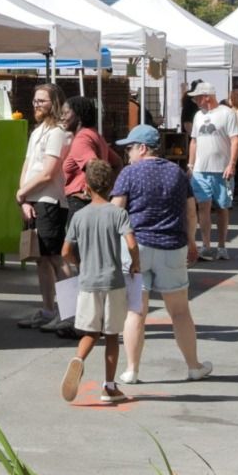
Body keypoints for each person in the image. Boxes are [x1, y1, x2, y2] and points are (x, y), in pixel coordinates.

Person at [108, 125, 212, 384]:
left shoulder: (129, 174)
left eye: (130, 148)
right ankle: (193, 366)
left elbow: (116, 211)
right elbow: (191, 212)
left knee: (135, 311)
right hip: (172, 246)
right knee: (179, 311)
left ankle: (132, 369)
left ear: (142, 148)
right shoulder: (178, 173)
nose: (127, 154)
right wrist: (191, 242)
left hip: (137, 247)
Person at [60, 160, 139, 405]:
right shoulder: (118, 213)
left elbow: (65, 251)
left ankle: (78, 360)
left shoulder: (80, 216)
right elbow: (132, 244)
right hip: (113, 281)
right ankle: (109, 386)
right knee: (112, 335)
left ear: (87, 186)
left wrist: (79, 263)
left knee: (91, 332)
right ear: (111, 185)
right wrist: (135, 264)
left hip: (88, 282)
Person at [13, 82, 71, 330]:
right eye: (35, 100)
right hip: (34, 199)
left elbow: (49, 172)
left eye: (42, 101)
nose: (36, 104)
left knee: (56, 257)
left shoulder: (58, 132)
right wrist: (24, 196)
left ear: (54, 103)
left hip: (50, 200)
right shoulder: (37, 131)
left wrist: (23, 193)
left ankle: (70, 313)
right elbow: (28, 166)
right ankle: (48, 309)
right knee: (40, 258)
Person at [187, 81, 238, 260]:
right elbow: (193, 141)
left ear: (206, 97)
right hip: (200, 170)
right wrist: (190, 165)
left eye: (197, 97)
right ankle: (206, 245)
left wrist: (231, 164)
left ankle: (222, 245)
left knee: (222, 207)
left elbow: (235, 140)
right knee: (203, 206)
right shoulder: (198, 116)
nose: (195, 100)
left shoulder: (227, 114)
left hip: (222, 171)